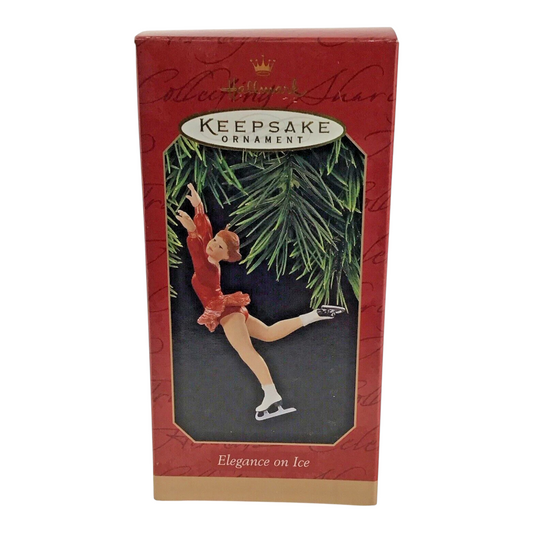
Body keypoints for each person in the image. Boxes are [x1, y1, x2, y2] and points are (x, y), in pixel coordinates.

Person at [176, 184, 344, 420]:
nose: (212, 244)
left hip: (226, 312)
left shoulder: (207, 267)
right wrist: (198, 208)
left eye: (219, 246)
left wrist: (192, 230)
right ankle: (315, 314)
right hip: (230, 309)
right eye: (214, 241)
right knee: (268, 333)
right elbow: (205, 235)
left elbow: (197, 248)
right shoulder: (209, 257)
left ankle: (271, 394)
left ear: (226, 256)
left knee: (247, 351)